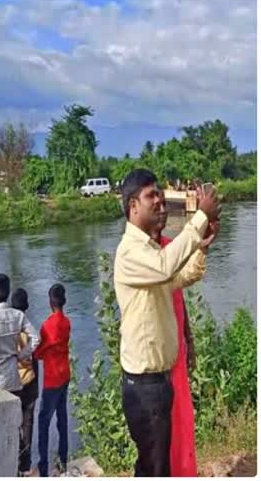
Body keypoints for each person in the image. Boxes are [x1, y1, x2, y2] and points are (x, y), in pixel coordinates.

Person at [114, 169, 220, 476]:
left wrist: (202, 247)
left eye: (160, 194)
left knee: (157, 463)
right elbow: (165, 267)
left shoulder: (149, 250)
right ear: (133, 206)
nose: (160, 200)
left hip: (159, 381)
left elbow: (181, 276)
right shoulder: (130, 253)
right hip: (144, 385)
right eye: (151, 196)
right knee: (155, 465)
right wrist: (199, 218)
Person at [151, 192, 218, 477]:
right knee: (163, 427)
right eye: (158, 206)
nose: (164, 211)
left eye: (166, 205)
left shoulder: (170, 248)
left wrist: (189, 340)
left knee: (183, 418)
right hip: (158, 356)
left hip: (177, 348)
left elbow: (179, 298)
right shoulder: (145, 257)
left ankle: (185, 471)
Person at [33, 284, 72, 477]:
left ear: (50, 302)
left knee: (43, 422)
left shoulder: (47, 325)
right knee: (62, 419)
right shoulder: (66, 322)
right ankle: (63, 462)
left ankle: (43, 468)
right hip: (65, 374)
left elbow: (39, 352)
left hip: (52, 379)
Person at [11, 288, 39, 477]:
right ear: (26, 307)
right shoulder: (29, 329)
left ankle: (15, 464)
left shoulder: (8, 331)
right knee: (28, 423)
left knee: (13, 424)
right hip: (29, 381)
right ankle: (26, 465)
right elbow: (35, 356)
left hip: (13, 383)